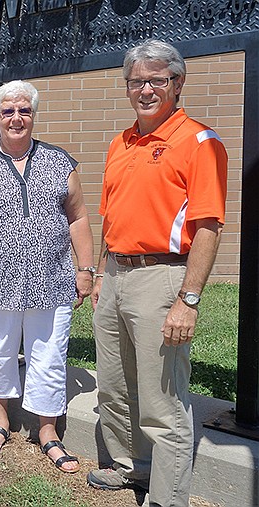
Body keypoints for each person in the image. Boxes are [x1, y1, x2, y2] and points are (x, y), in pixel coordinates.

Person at [87, 40, 228, 507]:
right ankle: (133, 467)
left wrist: (187, 300)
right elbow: (111, 217)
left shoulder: (199, 142)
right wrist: (103, 273)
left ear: (178, 83)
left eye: (156, 80)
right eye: (136, 81)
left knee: (162, 399)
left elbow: (209, 225)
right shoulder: (119, 142)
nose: (145, 89)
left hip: (162, 277)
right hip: (116, 276)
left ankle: (167, 498)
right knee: (115, 385)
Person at [0, 80, 94, 473]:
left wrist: (85, 269)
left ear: (33, 115)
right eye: (8, 111)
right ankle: (1, 422)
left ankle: (48, 431)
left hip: (53, 280)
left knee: (48, 356)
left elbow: (78, 217)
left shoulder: (60, 162)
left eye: (24, 110)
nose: (17, 118)